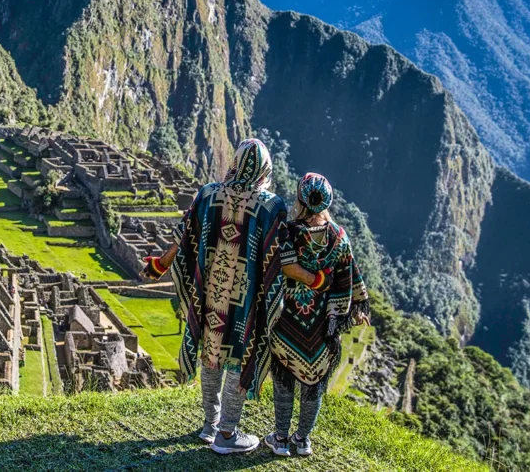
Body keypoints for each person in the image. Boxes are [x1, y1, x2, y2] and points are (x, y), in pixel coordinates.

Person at [141, 139, 324, 455]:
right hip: (247, 302)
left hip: (211, 294)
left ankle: (210, 425)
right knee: (240, 357)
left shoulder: (209, 194)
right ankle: (227, 434)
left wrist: (160, 265)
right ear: (265, 170)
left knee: (211, 352)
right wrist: (315, 278)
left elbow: (185, 238)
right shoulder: (270, 206)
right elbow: (284, 258)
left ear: (235, 163)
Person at [262, 173, 370, 458]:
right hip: (324, 323)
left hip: (288, 320)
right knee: (315, 382)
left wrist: (312, 280)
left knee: (284, 377)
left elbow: (284, 267)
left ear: (301, 198)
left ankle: (281, 438)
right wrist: (358, 306)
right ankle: (303, 439)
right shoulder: (339, 236)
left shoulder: (289, 231)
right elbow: (351, 274)